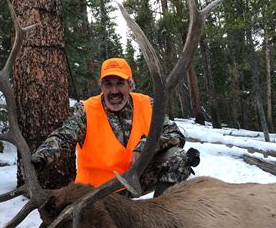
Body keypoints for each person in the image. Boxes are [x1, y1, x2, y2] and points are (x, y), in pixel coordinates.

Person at [31, 57, 199, 197]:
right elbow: (63, 136)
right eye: (108, 84)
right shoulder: (86, 110)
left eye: (120, 83)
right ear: (101, 86)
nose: (114, 90)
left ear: (130, 85)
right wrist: (41, 158)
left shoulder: (147, 104)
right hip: (96, 191)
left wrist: (146, 145)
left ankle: (161, 215)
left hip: (135, 181)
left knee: (178, 158)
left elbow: (175, 134)